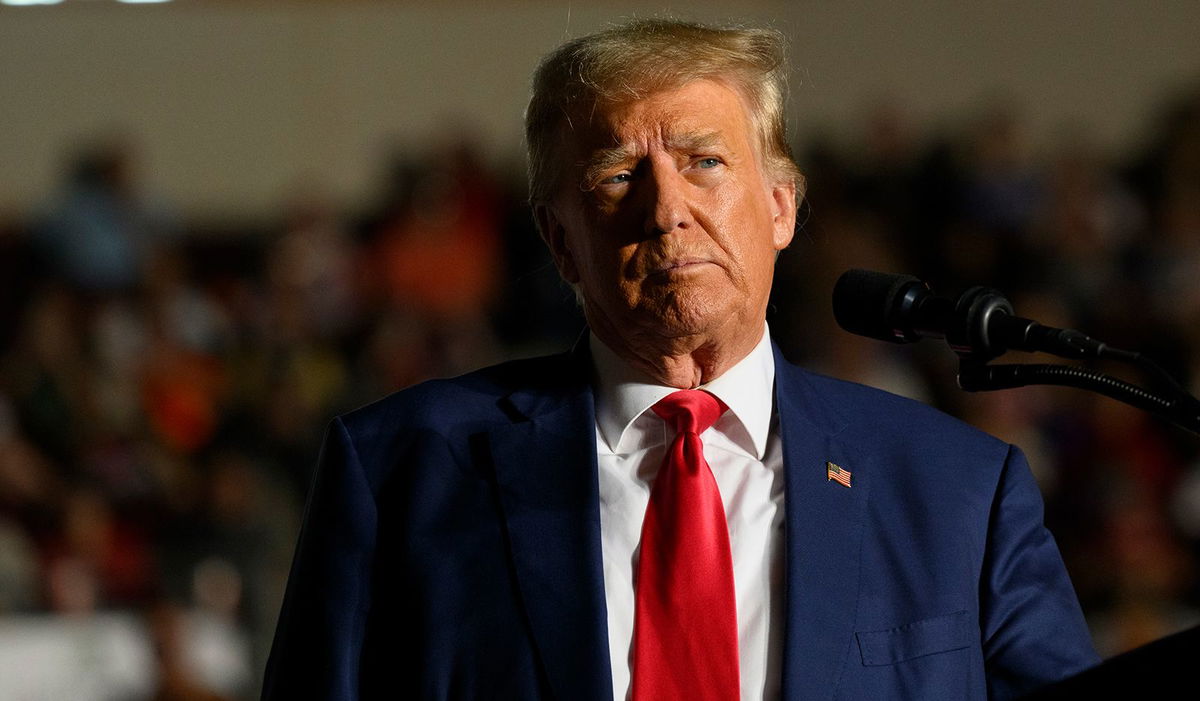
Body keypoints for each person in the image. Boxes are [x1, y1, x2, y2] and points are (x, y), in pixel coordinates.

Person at [262, 19, 1098, 700]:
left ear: (781, 206)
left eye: (704, 161)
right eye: (620, 175)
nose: (668, 211)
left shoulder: (959, 491)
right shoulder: (400, 470)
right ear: (560, 241)